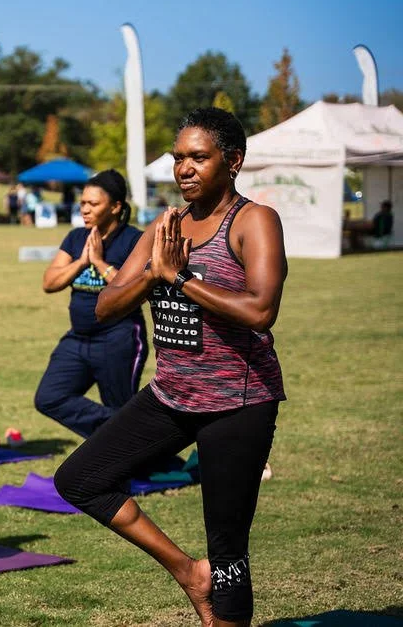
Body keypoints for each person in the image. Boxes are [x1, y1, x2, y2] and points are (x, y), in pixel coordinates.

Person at [54, 108, 287, 627]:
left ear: (233, 161)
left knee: (228, 548)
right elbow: (107, 306)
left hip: (238, 402)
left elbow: (260, 309)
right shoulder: (166, 226)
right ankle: (187, 572)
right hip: (171, 395)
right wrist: (153, 275)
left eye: (198, 157)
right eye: (179, 157)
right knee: (81, 478)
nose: (184, 168)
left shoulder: (254, 221)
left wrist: (180, 279)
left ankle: (216, 593)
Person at [33, 170, 147, 439]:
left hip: (119, 339)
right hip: (78, 339)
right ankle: (129, 431)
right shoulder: (76, 238)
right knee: (49, 397)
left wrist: (98, 262)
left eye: (93, 204)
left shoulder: (133, 240)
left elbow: (135, 290)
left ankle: (129, 441)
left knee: (120, 406)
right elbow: (50, 282)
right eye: (83, 203)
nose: (84, 209)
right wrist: (81, 262)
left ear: (116, 207)